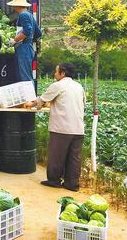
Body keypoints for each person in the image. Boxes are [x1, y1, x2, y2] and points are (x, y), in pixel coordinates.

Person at [25, 63, 85, 191]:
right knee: (74, 158)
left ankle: (54, 181)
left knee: (56, 156)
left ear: (62, 73)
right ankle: (72, 184)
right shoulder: (79, 86)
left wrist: (30, 104)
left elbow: (41, 99)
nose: (54, 74)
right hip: (78, 128)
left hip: (62, 127)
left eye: (56, 72)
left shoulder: (58, 85)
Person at [6, 0, 42, 82]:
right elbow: (38, 33)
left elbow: (27, 31)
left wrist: (15, 40)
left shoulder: (23, 15)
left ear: (17, 5)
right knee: (27, 75)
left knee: (25, 77)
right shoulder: (29, 15)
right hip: (28, 48)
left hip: (24, 48)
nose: (13, 7)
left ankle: (29, 96)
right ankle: (30, 95)